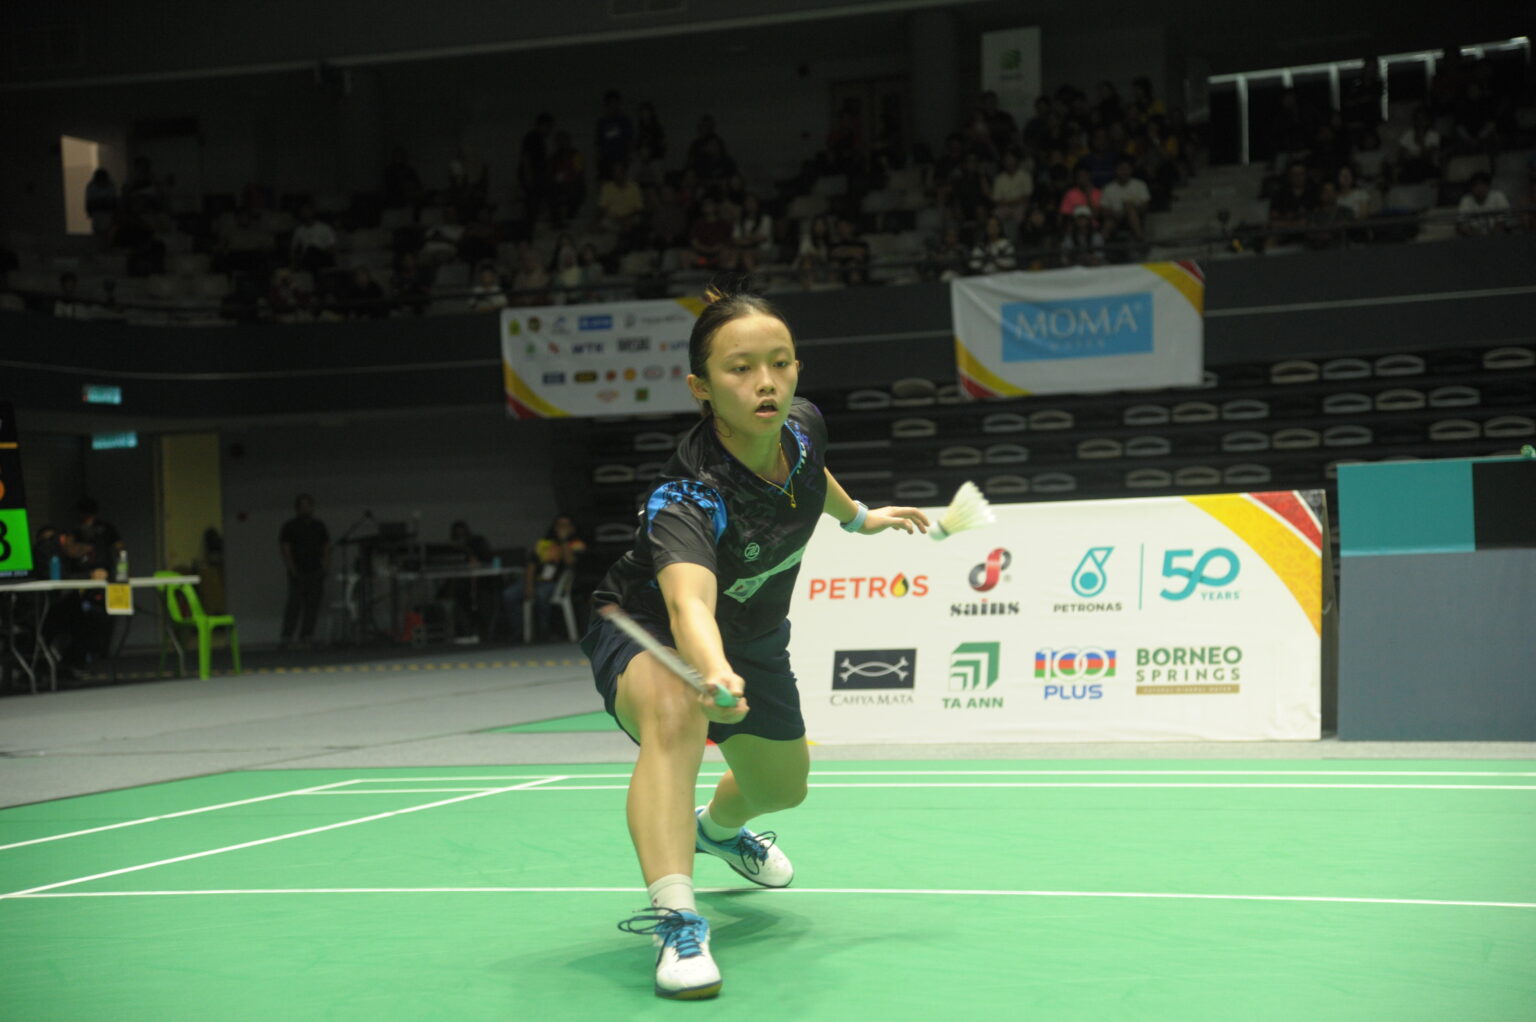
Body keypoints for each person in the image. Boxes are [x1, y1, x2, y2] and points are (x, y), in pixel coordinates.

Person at [581, 286, 931, 999]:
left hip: (755, 633)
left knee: (782, 788)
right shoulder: (689, 495)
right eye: (740, 369)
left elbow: (808, 471)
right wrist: (710, 669)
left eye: (779, 363)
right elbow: (688, 604)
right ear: (701, 388)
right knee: (677, 712)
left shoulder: (801, 424)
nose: (765, 382)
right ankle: (677, 920)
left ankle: (715, 830)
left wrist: (858, 517)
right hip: (652, 626)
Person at [504, 514, 586, 642]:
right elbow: (531, 565)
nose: (562, 528)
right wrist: (529, 586)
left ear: (572, 528)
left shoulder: (576, 544)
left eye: (565, 525)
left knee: (542, 593)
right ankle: (519, 631)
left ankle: (545, 631)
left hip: (557, 583)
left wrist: (564, 540)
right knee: (509, 594)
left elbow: (570, 562)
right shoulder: (544, 543)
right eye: (559, 525)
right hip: (536, 580)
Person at [279, 494, 330, 648]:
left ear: (312, 507)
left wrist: (325, 566)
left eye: (308, 505)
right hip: (298, 570)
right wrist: (292, 568)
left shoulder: (319, 526)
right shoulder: (290, 526)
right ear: (297, 508)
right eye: (302, 506)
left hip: (315, 569)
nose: (305, 508)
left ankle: (307, 635)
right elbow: (286, 548)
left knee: (312, 605)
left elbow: (326, 546)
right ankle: (287, 636)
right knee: (294, 605)